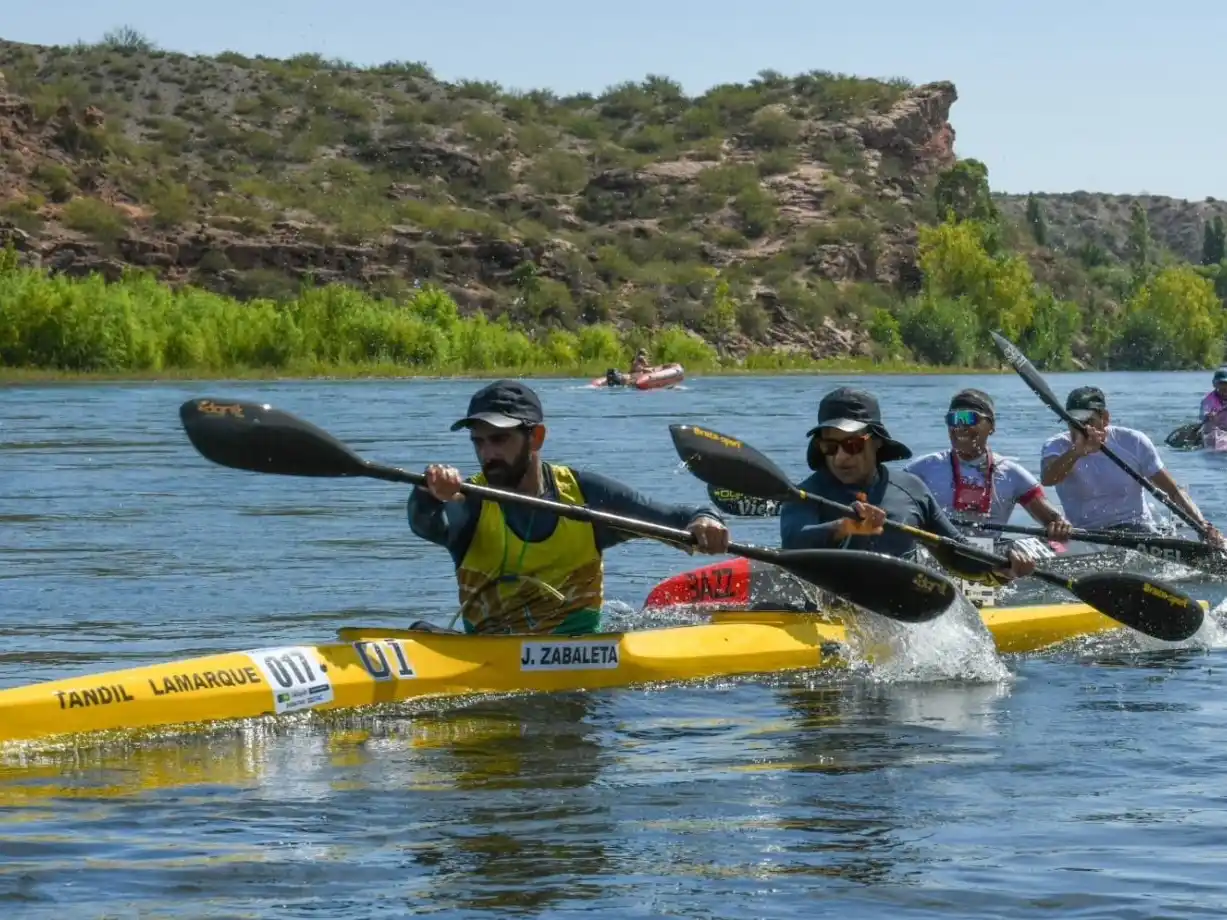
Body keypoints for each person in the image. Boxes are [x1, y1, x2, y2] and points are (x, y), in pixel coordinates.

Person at [407, 379, 731, 636]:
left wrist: (705, 520)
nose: (487, 453)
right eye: (479, 441)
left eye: (499, 439)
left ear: (536, 438)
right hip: (490, 656)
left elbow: (676, 518)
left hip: (581, 658)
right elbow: (425, 522)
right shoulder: (469, 503)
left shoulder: (585, 495)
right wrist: (428, 493)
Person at [779, 387, 1036, 584]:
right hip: (826, 613)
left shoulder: (911, 489)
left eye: (853, 445)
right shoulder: (803, 495)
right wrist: (844, 527)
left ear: (877, 441)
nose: (841, 457)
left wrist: (1000, 562)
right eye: (830, 447)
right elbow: (793, 542)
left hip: (900, 610)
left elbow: (955, 552)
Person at [1040, 385, 1224, 544]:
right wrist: (1077, 452)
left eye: (1088, 422)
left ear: (1105, 418)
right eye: (1073, 422)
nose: (1080, 429)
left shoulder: (1133, 441)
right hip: (1086, 534)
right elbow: (1049, 479)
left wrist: (1203, 526)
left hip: (1137, 529)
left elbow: (1174, 491)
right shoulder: (1055, 447)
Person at [905, 389, 1073, 541]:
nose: (960, 427)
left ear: (991, 426)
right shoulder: (921, 470)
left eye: (969, 418)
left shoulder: (1012, 474)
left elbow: (1054, 520)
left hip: (987, 559)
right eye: (953, 419)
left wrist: (1060, 527)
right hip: (936, 554)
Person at [1199, 367, 1227, 443]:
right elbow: (1203, 415)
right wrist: (1209, 415)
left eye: (1226, 384)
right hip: (1214, 430)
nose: (1224, 387)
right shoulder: (1207, 399)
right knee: (1208, 424)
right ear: (1214, 384)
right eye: (1221, 384)